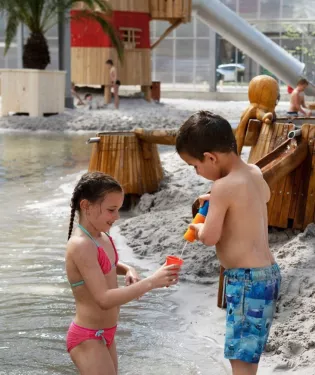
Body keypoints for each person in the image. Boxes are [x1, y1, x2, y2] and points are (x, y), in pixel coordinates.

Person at [176, 111, 281, 375]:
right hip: (267, 275)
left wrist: (197, 225)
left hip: (246, 281)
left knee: (239, 358)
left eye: (195, 166)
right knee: (249, 351)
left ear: (211, 157)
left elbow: (210, 237)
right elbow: (259, 197)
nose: (197, 172)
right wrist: (217, 201)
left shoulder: (223, 187)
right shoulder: (254, 172)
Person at [66, 172, 180, 374]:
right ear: (86, 206)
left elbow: (107, 264)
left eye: (118, 209)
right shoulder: (81, 245)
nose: (117, 217)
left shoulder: (101, 236)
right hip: (88, 336)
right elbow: (104, 299)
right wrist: (152, 281)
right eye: (111, 210)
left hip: (106, 333)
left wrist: (128, 268)